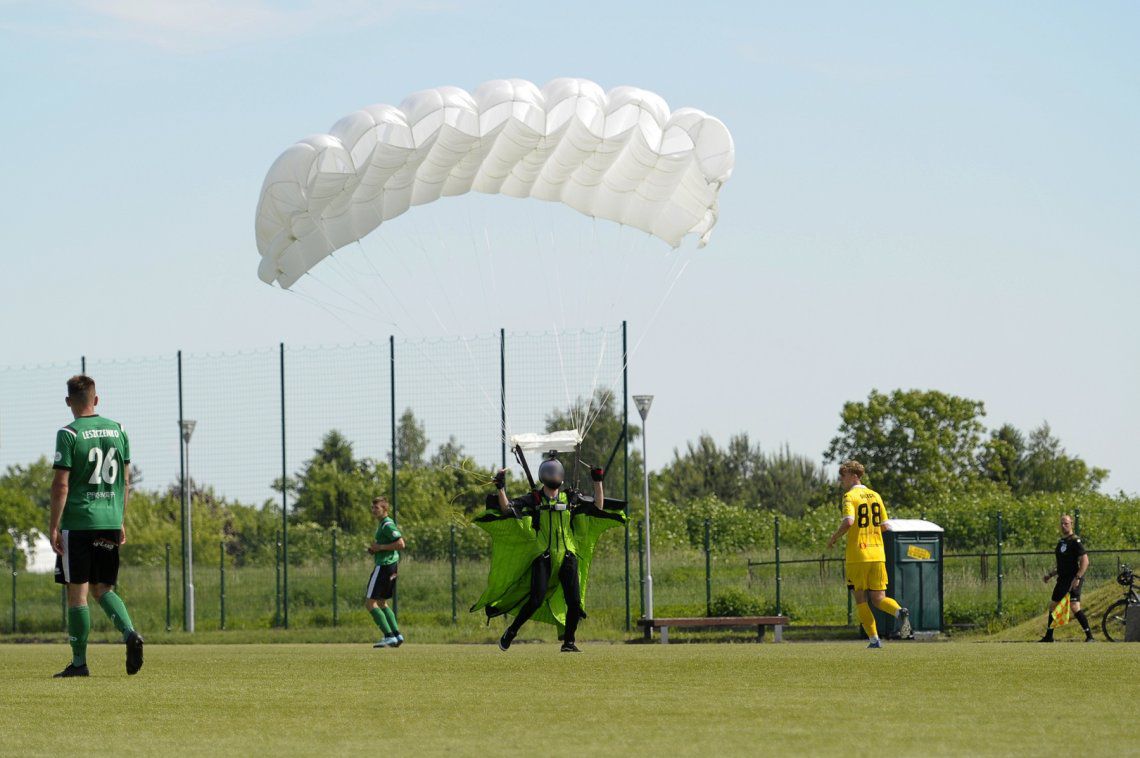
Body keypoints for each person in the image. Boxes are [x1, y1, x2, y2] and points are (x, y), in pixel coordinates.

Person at [49, 375, 144, 678]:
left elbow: (61, 485)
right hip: (109, 521)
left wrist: (53, 526)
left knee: (78, 592)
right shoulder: (119, 430)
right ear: (96, 399)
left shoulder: (68, 433)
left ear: (69, 402)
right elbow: (125, 481)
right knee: (103, 589)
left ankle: (79, 663)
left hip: (78, 522)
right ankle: (129, 633)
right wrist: (120, 519)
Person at [489, 457, 606, 653]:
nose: (554, 475)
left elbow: (598, 506)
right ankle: (511, 632)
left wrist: (597, 481)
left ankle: (568, 642)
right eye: (550, 472)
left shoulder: (570, 498)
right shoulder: (534, 500)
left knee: (575, 603)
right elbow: (507, 508)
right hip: (544, 556)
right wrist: (500, 487)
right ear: (544, 476)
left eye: (557, 472)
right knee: (535, 600)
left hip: (568, 555)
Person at [826, 460, 911, 648]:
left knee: (861, 599)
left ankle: (874, 640)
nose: (842, 480)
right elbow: (886, 526)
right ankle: (898, 612)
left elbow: (849, 522)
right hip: (878, 554)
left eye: (844, 476)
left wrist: (834, 537)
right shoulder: (876, 495)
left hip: (858, 555)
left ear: (855, 476)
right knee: (879, 598)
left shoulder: (849, 496)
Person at [1039, 514, 1094, 642]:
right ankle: (1049, 636)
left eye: (1066, 523)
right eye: (1062, 524)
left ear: (1071, 524)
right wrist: (1050, 575)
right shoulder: (1061, 542)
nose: (1064, 526)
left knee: (1074, 606)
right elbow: (1062, 565)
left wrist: (1078, 577)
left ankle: (1090, 636)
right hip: (1062, 579)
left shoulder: (1075, 541)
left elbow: (1085, 561)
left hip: (1073, 579)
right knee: (1053, 606)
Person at [365, 497, 405, 648]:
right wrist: (375, 549)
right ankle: (396, 635)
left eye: (377, 508)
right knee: (382, 602)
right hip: (390, 566)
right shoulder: (382, 525)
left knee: (370, 603)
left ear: (385, 510)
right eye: (373, 507)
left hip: (384, 567)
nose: (374, 510)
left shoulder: (387, 524)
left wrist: (380, 547)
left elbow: (400, 544)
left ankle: (388, 636)